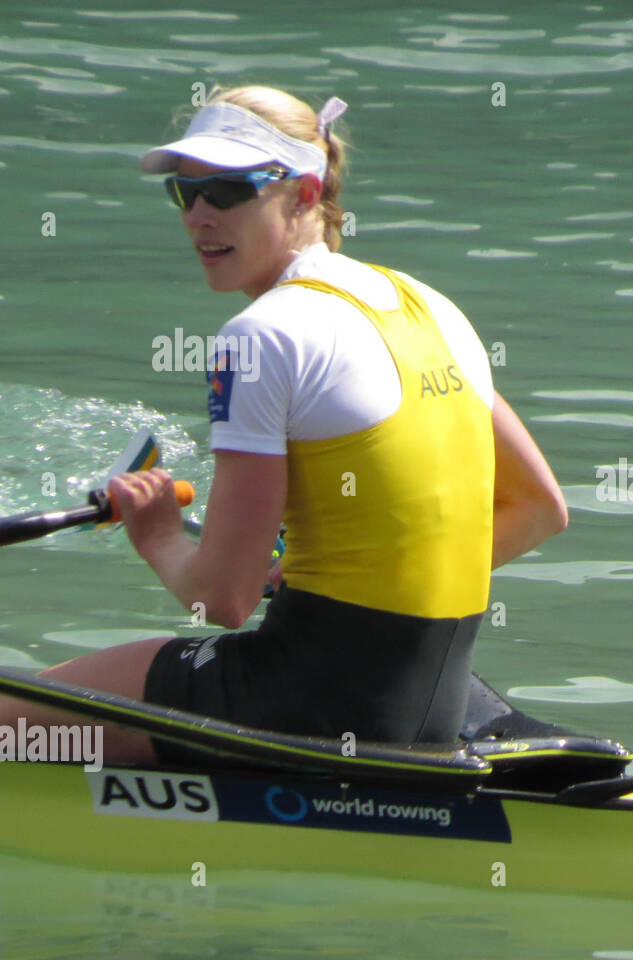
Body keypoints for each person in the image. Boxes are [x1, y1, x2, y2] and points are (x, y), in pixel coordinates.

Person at [0, 86, 567, 762]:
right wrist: (325, 571)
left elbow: (221, 600)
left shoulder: (259, 337)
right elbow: (539, 510)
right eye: (186, 191)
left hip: (301, 710)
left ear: (304, 193)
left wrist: (154, 534)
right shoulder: (436, 310)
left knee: (14, 724)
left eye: (229, 190)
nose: (200, 216)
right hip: (429, 703)